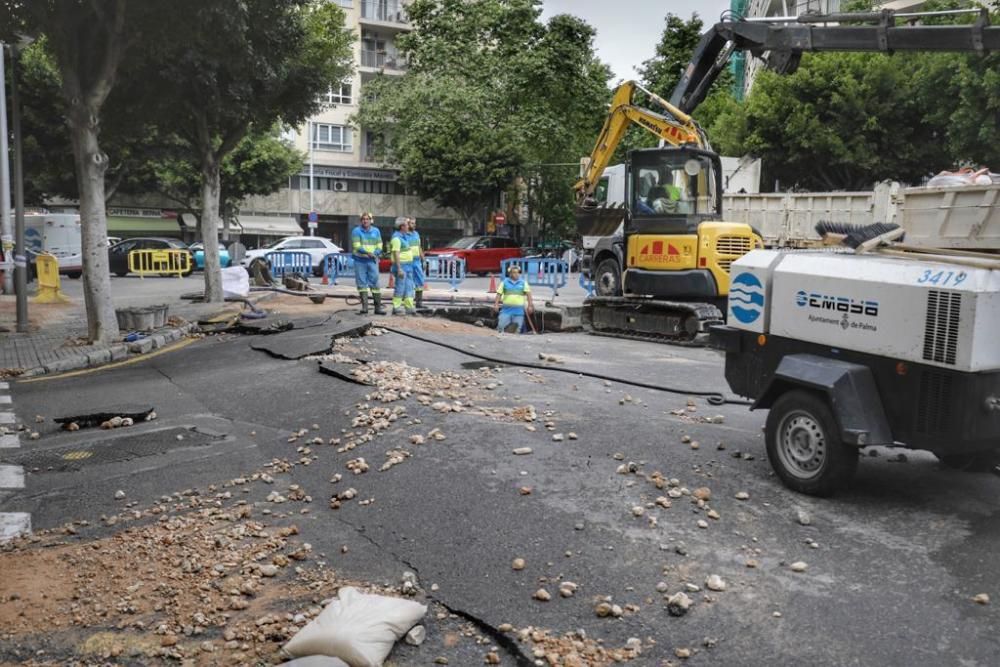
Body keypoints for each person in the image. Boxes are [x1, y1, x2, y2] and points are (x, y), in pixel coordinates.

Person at [351, 212, 386, 315]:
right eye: (363, 219)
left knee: (375, 283)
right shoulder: (356, 231)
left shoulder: (376, 231)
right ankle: (364, 308)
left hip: (372, 261)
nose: (365, 221)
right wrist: (368, 253)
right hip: (360, 261)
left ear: (371, 220)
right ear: (361, 221)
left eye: (367, 219)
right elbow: (357, 246)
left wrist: (375, 253)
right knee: (362, 284)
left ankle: (378, 308)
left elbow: (380, 244)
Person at [493, 263, 534, 333]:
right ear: (510, 274)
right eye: (514, 273)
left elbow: (528, 294)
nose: (516, 274)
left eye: (518, 273)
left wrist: (530, 306)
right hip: (506, 310)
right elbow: (498, 294)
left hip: (518, 311)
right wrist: (496, 304)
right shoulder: (504, 282)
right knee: (501, 327)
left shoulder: (523, 283)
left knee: (516, 329)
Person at [390, 218, 416, 315]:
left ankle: (409, 306)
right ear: (402, 227)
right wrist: (399, 268)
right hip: (402, 266)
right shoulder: (396, 238)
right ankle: (396, 307)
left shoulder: (404, 237)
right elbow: (396, 254)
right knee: (400, 287)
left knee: (409, 286)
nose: (408, 226)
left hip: (408, 266)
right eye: (407, 225)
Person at [405, 217, 427, 309]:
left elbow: (419, 247)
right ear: (407, 224)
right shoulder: (404, 235)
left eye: (415, 223)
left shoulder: (416, 234)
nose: (414, 225)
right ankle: (408, 304)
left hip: (417, 261)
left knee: (420, 281)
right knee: (408, 283)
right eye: (412, 223)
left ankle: (419, 302)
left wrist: (423, 259)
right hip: (408, 261)